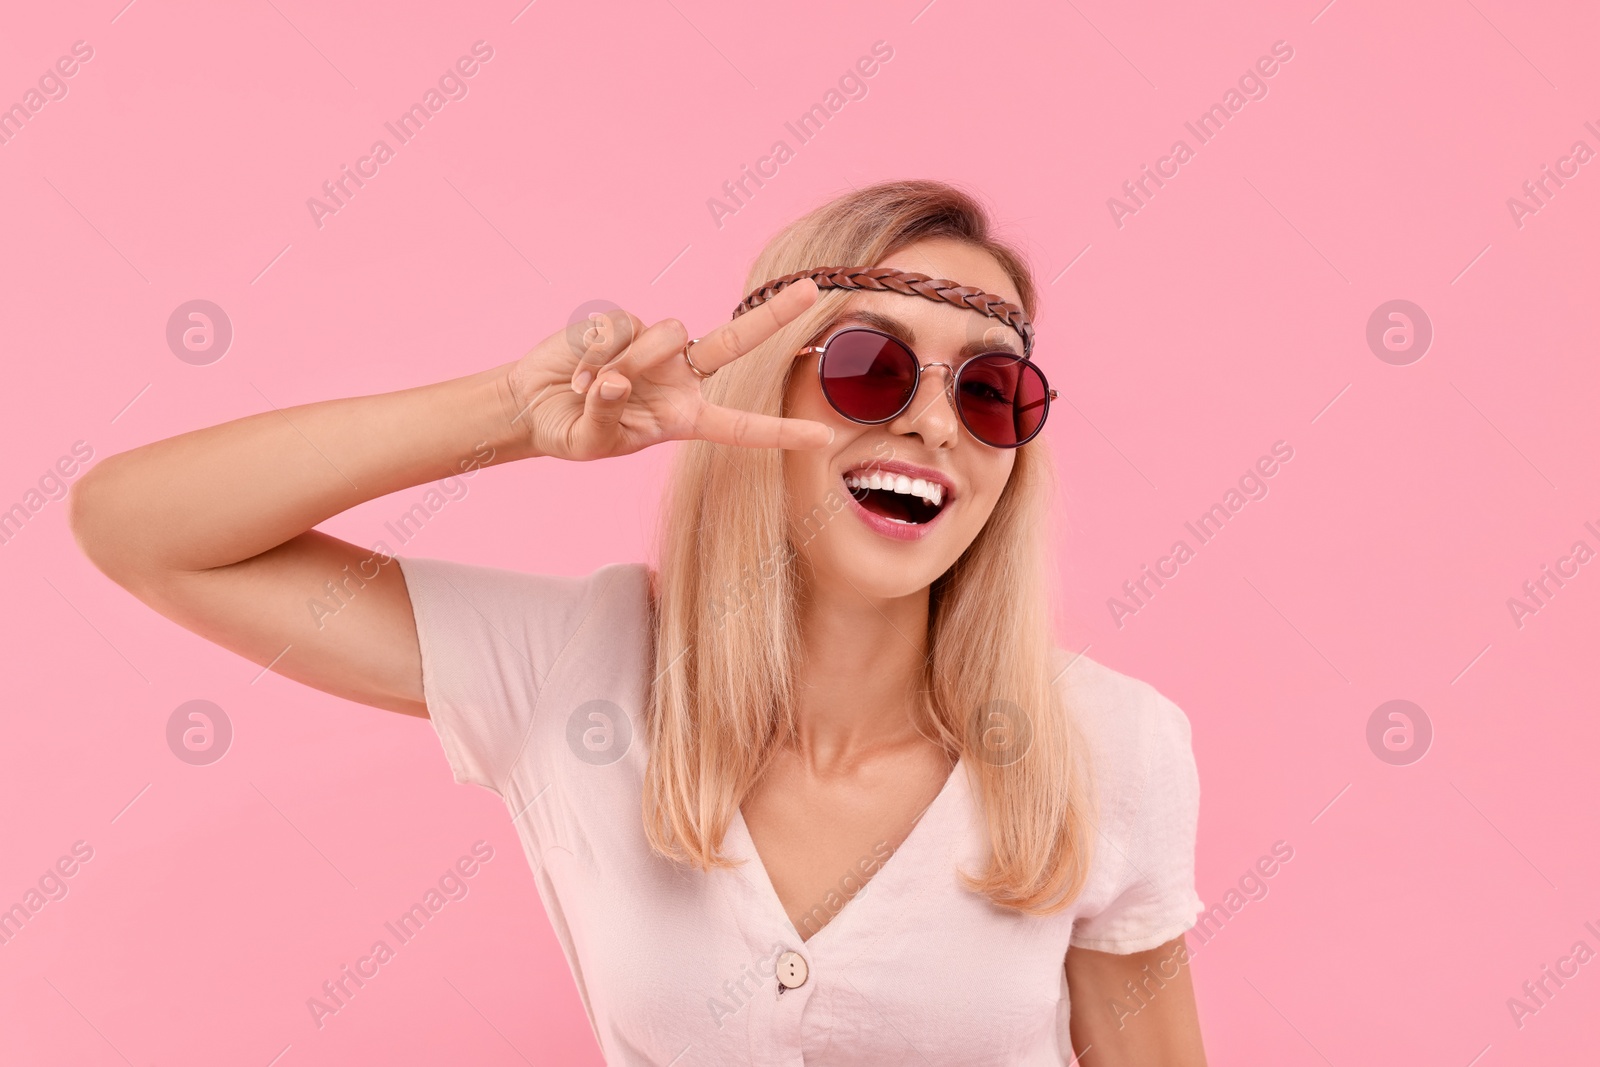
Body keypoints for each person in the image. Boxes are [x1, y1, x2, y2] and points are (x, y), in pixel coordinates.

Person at [69, 179, 1207, 1064]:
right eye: (870, 367)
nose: (932, 427)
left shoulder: (1108, 745)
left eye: (987, 393)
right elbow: (141, 527)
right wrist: (515, 414)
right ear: (761, 390)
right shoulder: (575, 669)